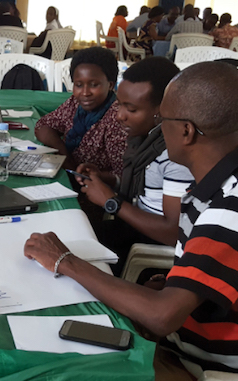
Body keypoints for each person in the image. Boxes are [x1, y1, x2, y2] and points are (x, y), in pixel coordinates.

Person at [24, 61, 238, 379]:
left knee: (69, 368)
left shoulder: (236, 206)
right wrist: (174, 282)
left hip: (233, 369)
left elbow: (162, 316)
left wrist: (65, 261)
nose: (158, 128)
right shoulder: (232, 176)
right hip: (199, 345)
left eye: (162, 120)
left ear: (185, 131)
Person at [75, 57, 192, 276]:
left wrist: (111, 201)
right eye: (119, 104)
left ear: (163, 110)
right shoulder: (145, 141)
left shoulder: (175, 157)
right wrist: (109, 180)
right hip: (132, 230)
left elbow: (173, 232)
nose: (119, 116)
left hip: (151, 253)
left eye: (132, 109)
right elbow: (149, 193)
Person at [34, 47, 126, 174]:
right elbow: (43, 125)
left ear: (110, 85)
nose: (85, 92)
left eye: (94, 85)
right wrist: (66, 158)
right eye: (78, 85)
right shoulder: (75, 104)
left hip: (96, 187)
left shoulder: (116, 118)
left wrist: (81, 174)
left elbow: (123, 175)